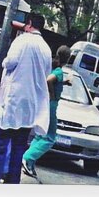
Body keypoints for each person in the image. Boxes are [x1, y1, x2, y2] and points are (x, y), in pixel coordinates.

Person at [0, 13, 51, 184]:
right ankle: (13, 182)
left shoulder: (22, 41)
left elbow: (9, 63)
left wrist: (5, 61)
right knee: (19, 148)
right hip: (30, 107)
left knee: (0, 144)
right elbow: (46, 74)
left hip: (13, 101)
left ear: (28, 24)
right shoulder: (46, 49)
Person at [21, 45, 72, 178]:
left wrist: (64, 83)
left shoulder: (54, 68)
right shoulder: (59, 71)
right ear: (68, 58)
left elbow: (53, 80)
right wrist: (52, 94)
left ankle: (30, 162)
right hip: (52, 104)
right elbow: (49, 80)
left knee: (41, 135)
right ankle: (27, 157)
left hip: (45, 104)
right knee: (50, 138)